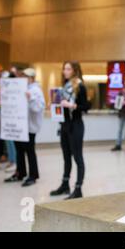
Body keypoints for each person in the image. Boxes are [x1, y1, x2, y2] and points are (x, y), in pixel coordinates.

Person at [50, 61, 90, 199]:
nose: (64, 71)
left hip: (76, 126)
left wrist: (71, 105)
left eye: (68, 69)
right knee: (66, 158)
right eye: (64, 69)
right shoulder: (64, 88)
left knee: (77, 157)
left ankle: (78, 189)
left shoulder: (80, 86)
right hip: (65, 126)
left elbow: (86, 107)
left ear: (74, 70)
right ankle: (64, 185)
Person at [5, 68, 45, 187]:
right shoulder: (22, 89)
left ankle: (33, 175)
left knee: (30, 151)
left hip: (30, 127)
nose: (23, 79)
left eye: (25, 77)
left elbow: (38, 108)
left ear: (31, 78)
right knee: (19, 150)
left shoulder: (36, 91)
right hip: (19, 126)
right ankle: (20, 172)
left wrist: (30, 98)